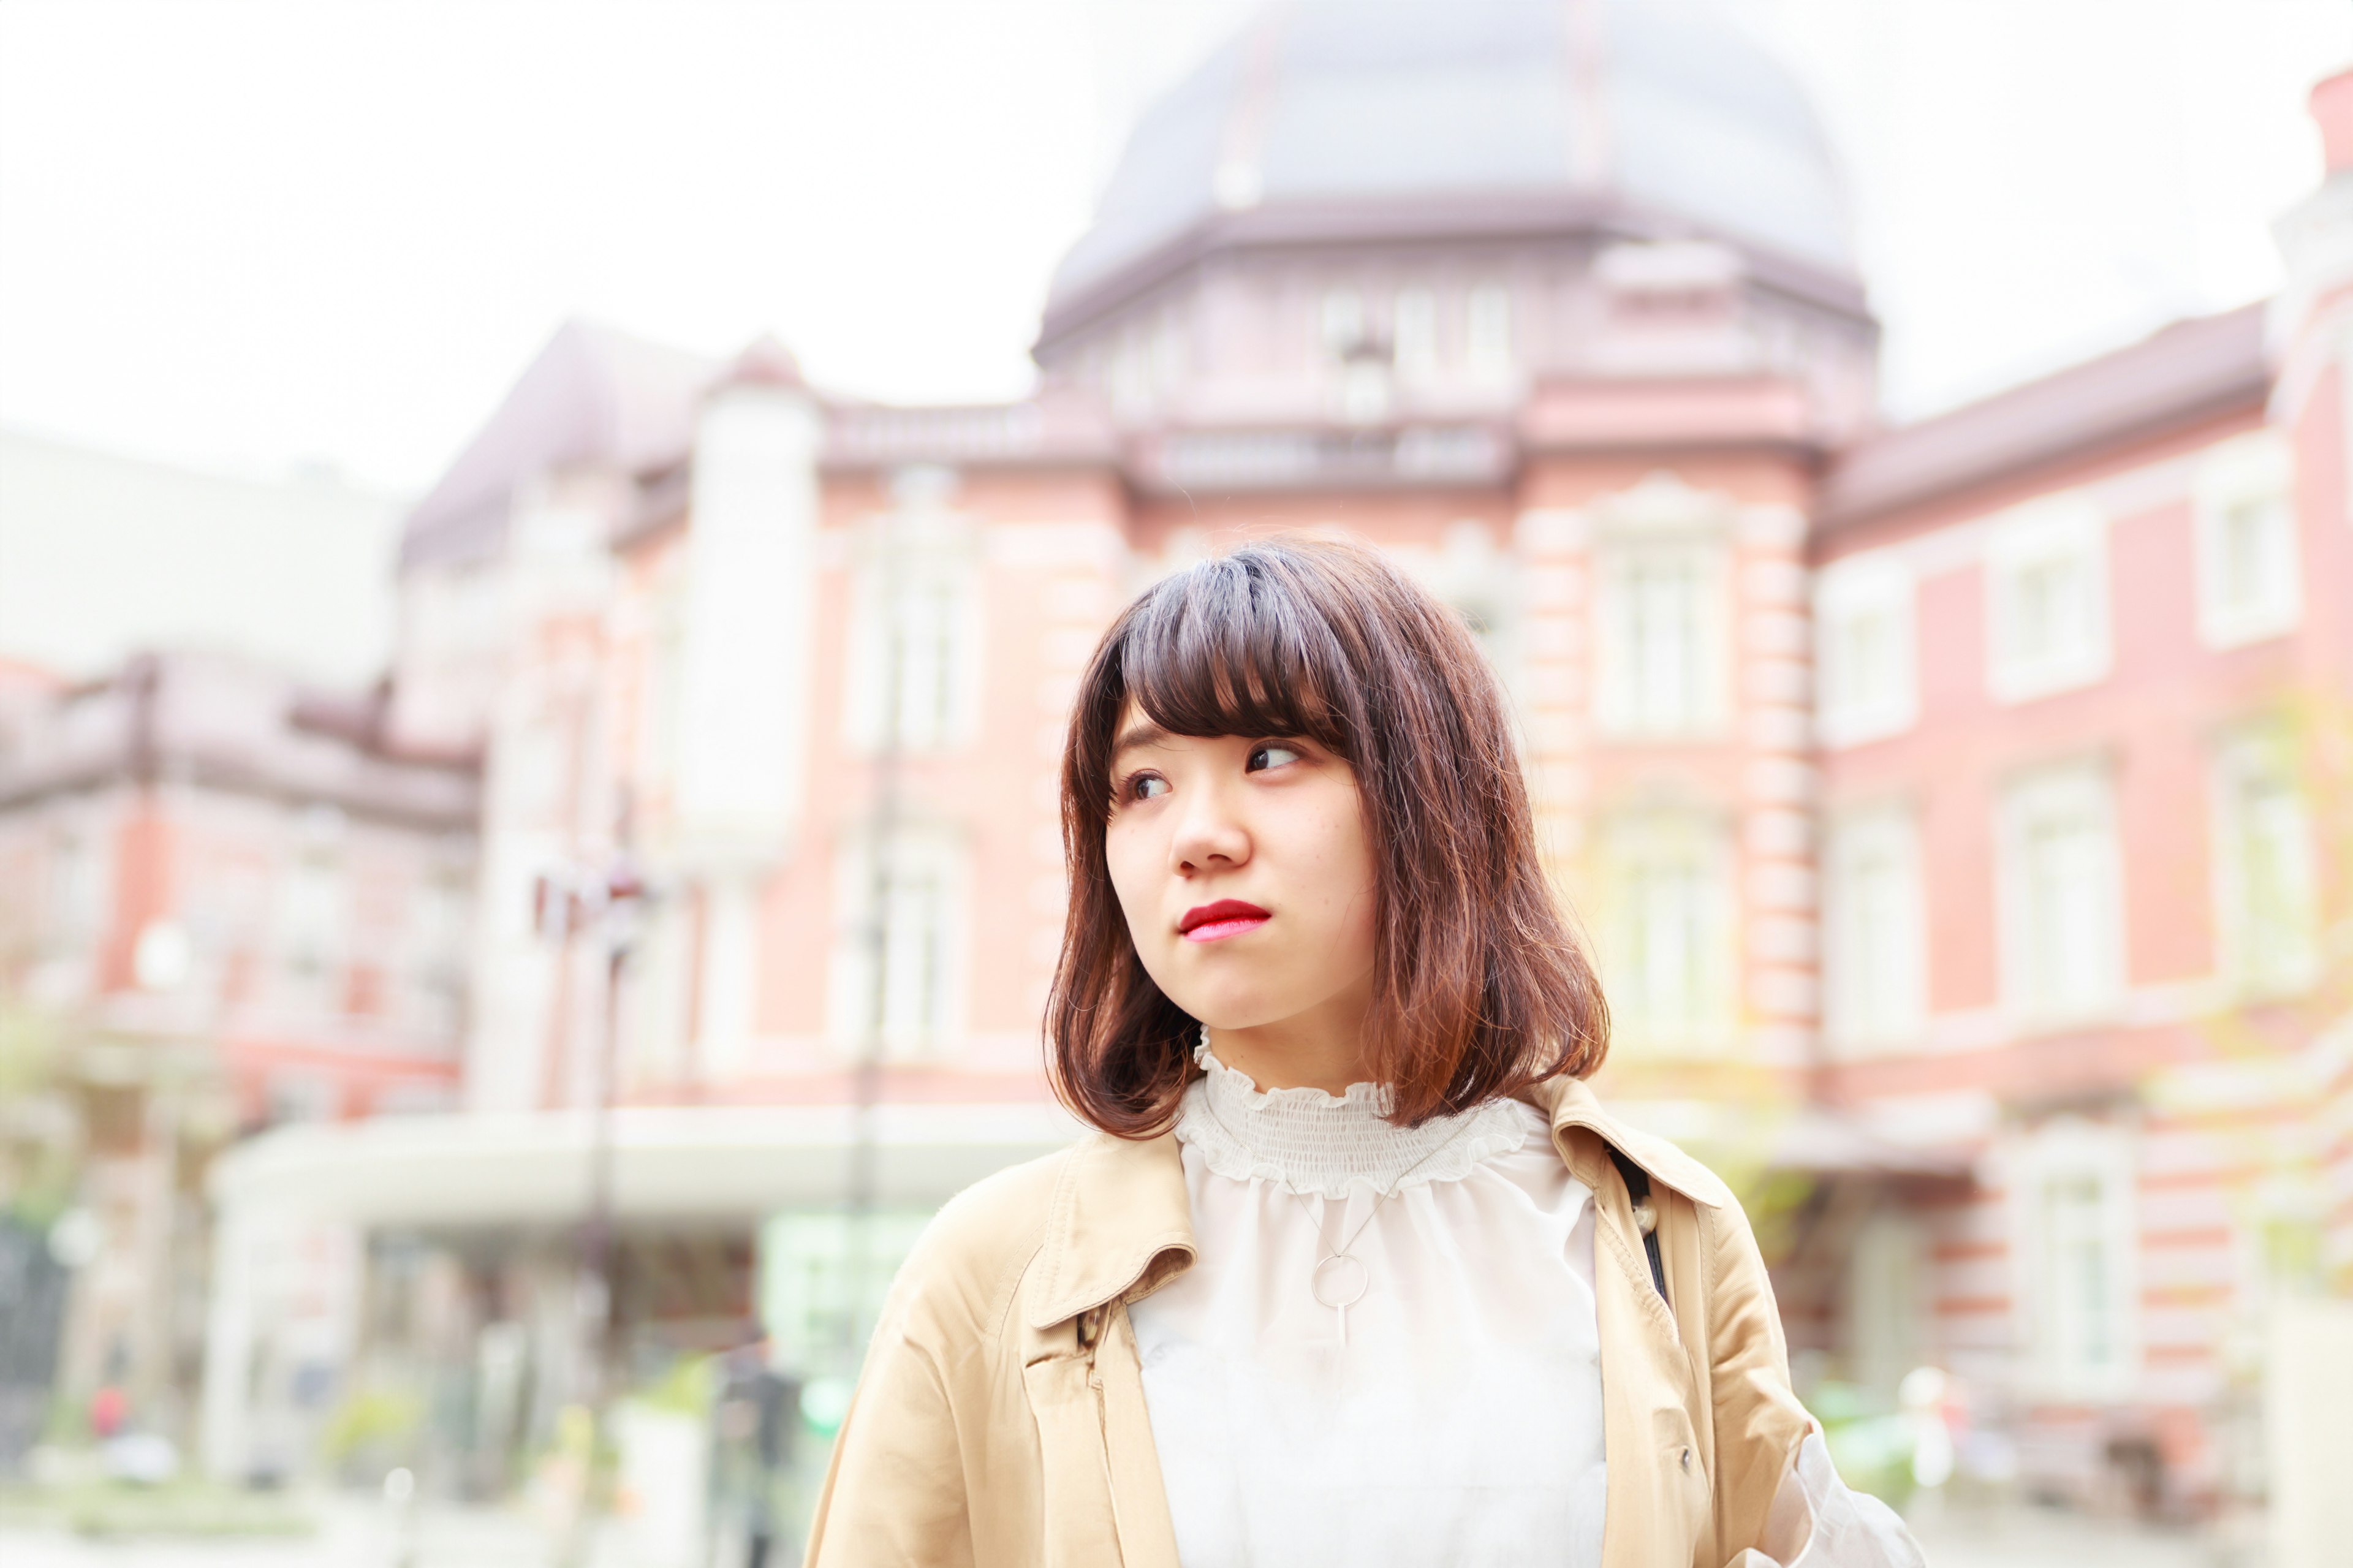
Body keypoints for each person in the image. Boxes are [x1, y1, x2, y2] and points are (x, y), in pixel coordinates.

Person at [805, 539, 1923, 1566]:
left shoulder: (1654, 1234)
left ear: (1429, 792)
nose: (1198, 835)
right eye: (1142, 784)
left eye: (1272, 754)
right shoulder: (997, 1273)